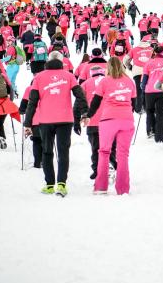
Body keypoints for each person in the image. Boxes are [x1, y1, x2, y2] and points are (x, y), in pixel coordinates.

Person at [24, 51, 88, 196]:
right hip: (65, 119)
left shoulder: (38, 77)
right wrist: (84, 113)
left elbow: (32, 102)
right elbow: (80, 95)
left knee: (47, 152)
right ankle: (61, 184)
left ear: (48, 61)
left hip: (45, 120)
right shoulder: (69, 76)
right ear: (61, 62)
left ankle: (49, 185)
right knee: (63, 152)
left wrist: (28, 123)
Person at [84, 57, 137, 195]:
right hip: (126, 120)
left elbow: (95, 102)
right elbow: (134, 103)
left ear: (108, 67)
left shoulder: (104, 81)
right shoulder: (129, 82)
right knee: (123, 155)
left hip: (108, 120)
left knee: (104, 152)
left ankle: (101, 187)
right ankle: (123, 188)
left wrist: (88, 116)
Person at [81, 65, 117, 180]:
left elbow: (80, 102)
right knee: (110, 146)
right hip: (110, 119)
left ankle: (97, 170)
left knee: (95, 148)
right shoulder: (111, 82)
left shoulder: (85, 84)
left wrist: (81, 116)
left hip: (92, 121)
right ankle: (111, 165)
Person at [141, 46, 163, 143]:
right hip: (162, 90)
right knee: (160, 113)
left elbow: (144, 78)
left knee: (149, 111)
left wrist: (143, 87)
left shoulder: (149, 62)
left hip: (149, 91)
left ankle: (151, 130)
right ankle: (160, 136)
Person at [124, 36, 154, 114]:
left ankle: (138, 108)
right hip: (148, 72)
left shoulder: (134, 49)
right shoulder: (151, 49)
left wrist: (129, 66)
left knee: (138, 89)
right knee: (147, 89)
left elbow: (125, 59)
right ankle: (146, 106)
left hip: (137, 71)